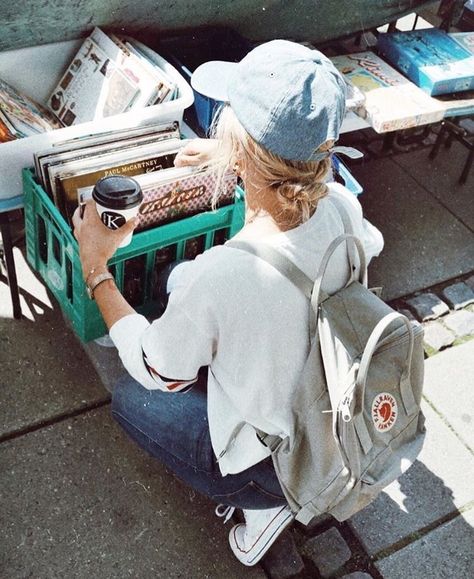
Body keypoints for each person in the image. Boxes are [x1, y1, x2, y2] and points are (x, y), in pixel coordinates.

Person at [72, 39, 384, 566]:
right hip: (331, 414)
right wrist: (238, 158)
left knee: (131, 399)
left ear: (241, 140)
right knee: (182, 282)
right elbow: (348, 234)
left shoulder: (227, 277)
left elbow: (157, 371)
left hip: (273, 461)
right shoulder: (341, 207)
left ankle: (264, 505)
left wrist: (95, 268)